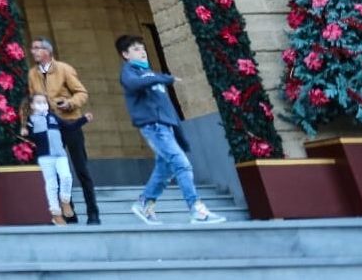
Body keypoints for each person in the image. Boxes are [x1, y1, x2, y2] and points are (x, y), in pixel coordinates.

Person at [116, 35, 225, 225]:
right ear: (125, 55)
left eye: (143, 48)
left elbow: (168, 109)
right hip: (154, 126)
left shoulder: (149, 74)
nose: (142, 52)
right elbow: (133, 84)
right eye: (136, 49)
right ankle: (196, 209)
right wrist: (163, 77)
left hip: (166, 127)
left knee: (165, 170)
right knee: (182, 165)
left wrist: (180, 135)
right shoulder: (130, 71)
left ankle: (145, 202)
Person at [27, 38, 100, 224]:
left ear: (47, 51)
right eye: (33, 48)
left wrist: (70, 103)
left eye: (37, 48)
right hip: (50, 128)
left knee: (81, 169)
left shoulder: (64, 69)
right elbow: (33, 99)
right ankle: (70, 215)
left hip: (70, 122)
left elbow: (82, 93)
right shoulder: (33, 74)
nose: (33, 51)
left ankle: (93, 213)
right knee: (57, 172)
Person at [25, 92, 87, 226]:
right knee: (51, 184)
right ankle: (56, 214)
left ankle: (65, 201)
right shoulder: (31, 120)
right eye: (38, 102)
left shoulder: (53, 117)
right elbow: (31, 137)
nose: (42, 105)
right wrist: (26, 133)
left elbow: (69, 127)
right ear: (32, 105)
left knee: (66, 177)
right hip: (45, 156)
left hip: (60, 154)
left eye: (44, 102)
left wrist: (83, 119)